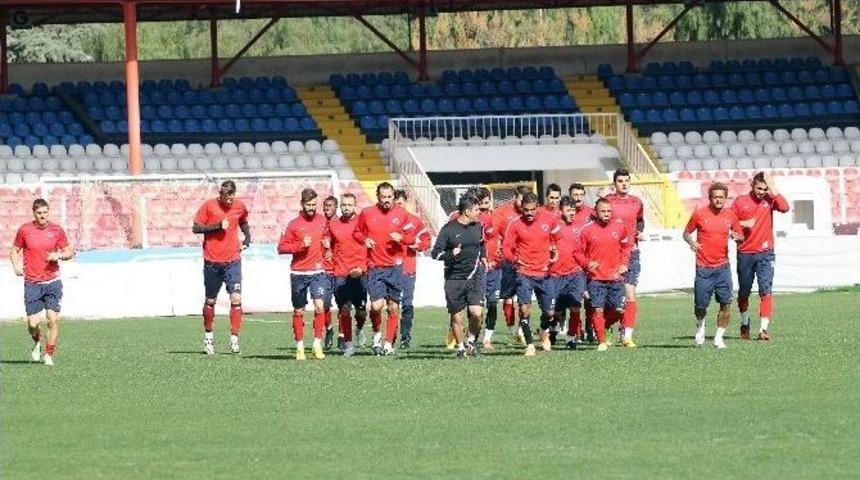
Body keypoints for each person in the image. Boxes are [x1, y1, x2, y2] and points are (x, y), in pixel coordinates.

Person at [353, 182, 416, 356]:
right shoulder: (367, 213)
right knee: (376, 306)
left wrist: (402, 238)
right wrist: (364, 240)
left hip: (395, 267)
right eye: (383, 197)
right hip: (375, 266)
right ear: (378, 196)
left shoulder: (402, 213)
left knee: (393, 307)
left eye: (389, 197)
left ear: (393, 196)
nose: (387, 200)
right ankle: (376, 335)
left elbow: (412, 238)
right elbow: (356, 232)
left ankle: (388, 344)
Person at [10, 198, 74, 366]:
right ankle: (37, 341)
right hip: (32, 283)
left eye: (45, 212)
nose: (43, 216)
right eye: (39, 213)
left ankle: (48, 354)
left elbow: (69, 252)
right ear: (34, 213)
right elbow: (15, 251)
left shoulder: (56, 230)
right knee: (33, 324)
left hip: (53, 282)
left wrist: (58, 255)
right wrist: (16, 266)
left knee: (52, 319)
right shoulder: (25, 230)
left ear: (48, 212)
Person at [683, 183, 745, 349]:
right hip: (703, 267)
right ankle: (701, 323)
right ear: (710, 198)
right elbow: (686, 232)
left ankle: (718, 338)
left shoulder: (731, 215)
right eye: (715, 197)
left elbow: (741, 236)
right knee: (701, 305)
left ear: (725, 198)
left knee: (726, 303)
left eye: (721, 197)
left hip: (723, 267)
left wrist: (737, 237)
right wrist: (692, 242)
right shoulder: (699, 214)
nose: (718, 200)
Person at [192, 180, 250, 355]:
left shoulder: (239, 206)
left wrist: (247, 238)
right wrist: (218, 226)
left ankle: (234, 339)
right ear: (221, 195)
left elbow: (243, 221)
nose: (229, 200)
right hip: (212, 261)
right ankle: (208, 337)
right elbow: (196, 228)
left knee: (236, 299)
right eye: (226, 197)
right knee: (210, 301)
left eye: (232, 196)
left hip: (233, 261)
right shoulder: (209, 206)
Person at [732, 172, 790, 340]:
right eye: (759, 188)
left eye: (765, 189)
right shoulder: (740, 201)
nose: (762, 192)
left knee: (766, 289)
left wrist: (772, 187)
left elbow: (785, 207)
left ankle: (763, 329)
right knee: (744, 292)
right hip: (745, 252)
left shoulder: (770, 200)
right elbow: (728, 222)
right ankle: (745, 321)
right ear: (752, 185)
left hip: (765, 252)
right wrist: (743, 223)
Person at [502, 192, 560, 356]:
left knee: (550, 313)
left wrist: (554, 248)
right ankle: (529, 344)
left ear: (538, 208)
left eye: (532, 209)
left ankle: (542, 330)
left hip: (544, 273)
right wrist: (514, 259)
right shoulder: (515, 224)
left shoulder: (549, 219)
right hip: (524, 272)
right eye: (526, 210)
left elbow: (557, 237)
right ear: (522, 208)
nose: (529, 213)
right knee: (524, 309)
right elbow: (506, 247)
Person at [277, 188, 330, 360]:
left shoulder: (323, 221)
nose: (312, 208)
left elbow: (329, 238)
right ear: (302, 204)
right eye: (308, 205)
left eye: (314, 204)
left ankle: (317, 344)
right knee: (299, 310)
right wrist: (300, 245)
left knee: (320, 306)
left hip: (318, 272)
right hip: (298, 273)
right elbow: (281, 248)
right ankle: (299, 346)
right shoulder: (293, 224)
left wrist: (328, 246)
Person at [432, 195, 486, 358]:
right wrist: (450, 254)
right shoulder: (448, 230)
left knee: (477, 313)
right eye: (477, 210)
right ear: (467, 212)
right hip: (454, 279)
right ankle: (461, 347)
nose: (480, 212)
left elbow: (481, 243)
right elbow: (436, 253)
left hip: (474, 276)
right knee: (457, 316)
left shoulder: (478, 227)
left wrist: (483, 256)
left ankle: (470, 340)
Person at [575, 198, 632, 352]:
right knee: (598, 309)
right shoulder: (587, 230)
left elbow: (626, 248)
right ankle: (601, 341)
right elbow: (577, 252)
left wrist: (624, 263)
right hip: (596, 278)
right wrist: (587, 263)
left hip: (616, 277)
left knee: (619, 310)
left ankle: (603, 325)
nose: (607, 214)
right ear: (596, 212)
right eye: (603, 211)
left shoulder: (619, 227)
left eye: (609, 211)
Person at [603, 169, 644, 347]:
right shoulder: (608, 202)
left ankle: (627, 335)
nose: (624, 184)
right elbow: (598, 221)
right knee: (615, 301)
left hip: (632, 253)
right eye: (620, 181)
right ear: (615, 184)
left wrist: (639, 231)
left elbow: (640, 220)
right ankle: (605, 326)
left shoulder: (637, 202)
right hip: (612, 255)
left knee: (630, 295)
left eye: (627, 180)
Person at [328, 193, 368, 358]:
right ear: (340, 206)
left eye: (349, 205)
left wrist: (362, 268)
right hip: (341, 273)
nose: (346, 208)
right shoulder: (333, 224)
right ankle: (349, 344)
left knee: (361, 311)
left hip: (360, 273)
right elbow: (329, 244)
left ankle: (359, 328)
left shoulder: (362, 224)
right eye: (344, 205)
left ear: (355, 206)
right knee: (344, 308)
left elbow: (369, 247)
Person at [492, 184, 532, 346]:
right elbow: (493, 233)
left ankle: (522, 331)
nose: (524, 204)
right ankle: (511, 332)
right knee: (508, 298)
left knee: (524, 299)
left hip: (526, 261)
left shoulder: (530, 213)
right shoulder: (501, 212)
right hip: (508, 261)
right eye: (522, 200)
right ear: (515, 197)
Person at [393, 189, 432, 349]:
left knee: (407, 303)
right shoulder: (386, 221)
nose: (398, 207)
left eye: (400, 203)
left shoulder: (414, 221)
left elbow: (426, 240)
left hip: (408, 269)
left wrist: (416, 244)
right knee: (391, 305)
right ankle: (390, 337)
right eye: (395, 204)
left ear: (405, 203)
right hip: (389, 269)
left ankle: (405, 337)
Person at [549, 196, 588, 350]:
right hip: (556, 274)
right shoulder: (554, 226)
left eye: (573, 210)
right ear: (561, 211)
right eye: (568, 210)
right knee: (556, 311)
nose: (572, 213)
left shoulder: (581, 227)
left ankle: (571, 338)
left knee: (575, 306)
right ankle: (552, 330)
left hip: (576, 273)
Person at [567, 183, 595, 343]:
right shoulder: (566, 213)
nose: (578, 198)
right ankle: (577, 331)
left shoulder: (591, 213)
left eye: (580, 195)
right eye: (575, 195)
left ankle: (590, 328)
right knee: (575, 298)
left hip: (589, 261)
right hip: (572, 263)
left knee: (591, 298)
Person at [321, 195, 339, 350]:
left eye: (330, 205)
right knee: (324, 304)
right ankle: (329, 329)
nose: (327, 208)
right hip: (325, 271)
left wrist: (333, 250)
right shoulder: (319, 223)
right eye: (326, 205)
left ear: (336, 207)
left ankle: (343, 335)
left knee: (343, 304)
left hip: (340, 269)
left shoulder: (341, 224)